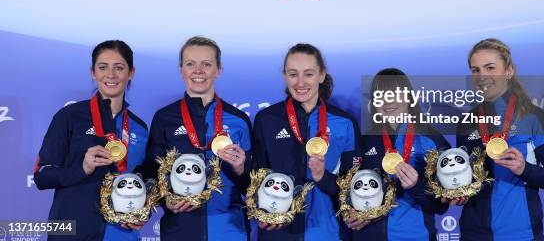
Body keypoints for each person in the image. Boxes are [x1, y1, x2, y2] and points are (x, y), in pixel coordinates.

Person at [453, 38, 544, 240]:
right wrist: (458, 192)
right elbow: (466, 179)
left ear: (509, 71)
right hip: (474, 234)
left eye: (490, 68)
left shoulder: (534, 117)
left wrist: (525, 170)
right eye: (475, 70)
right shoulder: (466, 121)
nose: (482, 76)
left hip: (522, 234)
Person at [34, 40, 149, 240]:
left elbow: (144, 180)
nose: (111, 75)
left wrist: (142, 209)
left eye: (119, 67)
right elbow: (42, 175)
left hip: (122, 234)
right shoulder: (69, 117)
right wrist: (83, 168)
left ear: (131, 72)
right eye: (103, 67)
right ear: (93, 72)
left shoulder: (139, 127)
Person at [143, 36, 252, 240]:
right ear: (181, 69)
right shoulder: (165, 118)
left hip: (229, 228)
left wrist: (240, 169)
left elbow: (252, 183)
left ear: (218, 70)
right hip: (180, 228)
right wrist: (165, 199)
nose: (198, 71)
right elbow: (151, 172)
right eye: (190, 64)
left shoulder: (238, 120)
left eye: (206, 64)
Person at [252, 43, 361, 241]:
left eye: (308, 74)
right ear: (285, 76)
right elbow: (255, 178)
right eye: (293, 74)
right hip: (277, 232)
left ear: (321, 75)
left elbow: (352, 187)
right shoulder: (266, 119)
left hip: (326, 232)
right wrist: (260, 211)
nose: (300, 82)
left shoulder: (344, 123)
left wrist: (322, 177)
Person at [348, 68, 449, 241]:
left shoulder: (430, 139)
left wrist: (416, 186)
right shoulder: (364, 141)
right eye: (381, 95)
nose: (388, 102)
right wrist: (352, 211)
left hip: (415, 236)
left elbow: (440, 206)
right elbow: (347, 189)